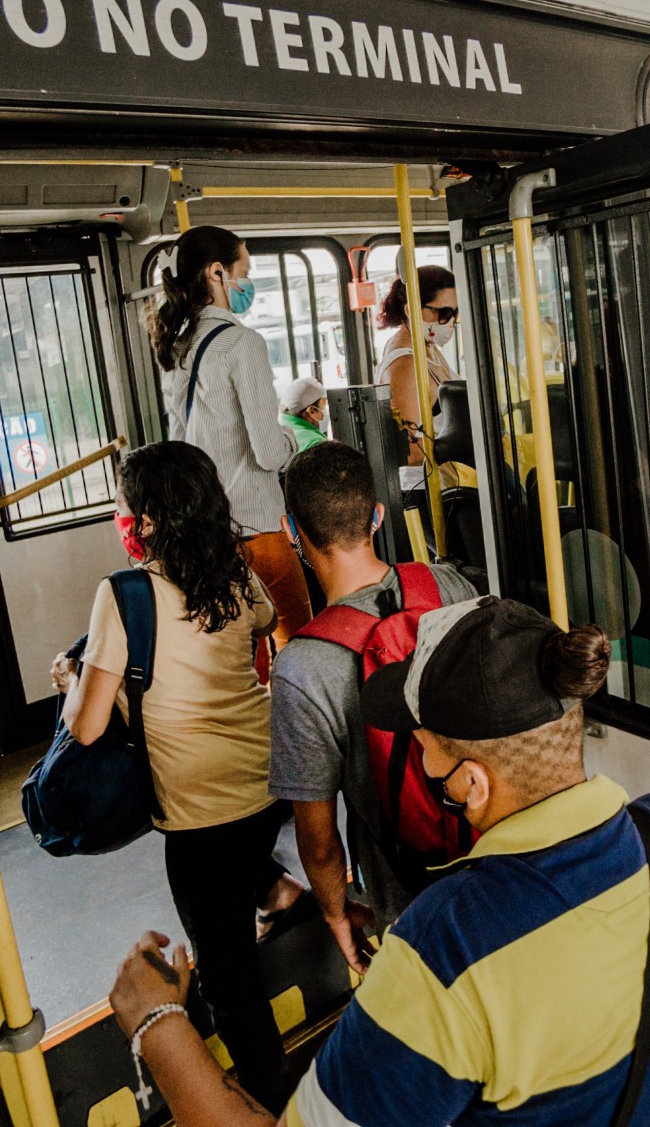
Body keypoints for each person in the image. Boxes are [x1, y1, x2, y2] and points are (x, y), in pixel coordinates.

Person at [108, 597, 650, 1127]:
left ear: (471, 784)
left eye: (424, 751)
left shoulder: (447, 948)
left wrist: (157, 1023)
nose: (422, 765)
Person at [57, 441, 303, 1110]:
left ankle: (273, 1104)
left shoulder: (124, 593)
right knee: (238, 872)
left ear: (148, 519)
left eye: (123, 506)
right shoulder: (235, 572)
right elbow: (264, 624)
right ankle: (277, 890)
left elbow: (86, 728)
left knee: (229, 981)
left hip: (201, 817)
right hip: (269, 784)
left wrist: (72, 683)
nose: (120, 517)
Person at [270, 441, 475, 970]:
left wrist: (336, 911)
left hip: (406, 893)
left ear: (291, 530)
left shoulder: (301, 666)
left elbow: (318, 840)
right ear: (377, 516)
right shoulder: (448, 585)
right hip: (496, 852)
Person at [150, 225, 309, 649]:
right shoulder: (242, 343)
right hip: (258, 530)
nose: (247, 284)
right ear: (217, 272)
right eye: (245, 272)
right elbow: (269, 453)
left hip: (209, 534)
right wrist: (294, 440)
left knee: (240, 652)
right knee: (297, 643)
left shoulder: (178, 348)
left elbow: (182, 446)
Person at [374, 265, 457, 494]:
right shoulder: (405, 364)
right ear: (411, 310)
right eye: (443, 313)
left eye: (455, 313)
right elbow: (408, 450)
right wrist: (463, 445)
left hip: (448, 482)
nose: (449, 322)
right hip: (426, 490)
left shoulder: (428, 348)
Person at [274, 376, 328, 452]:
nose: (326, 411)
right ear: (312, 411)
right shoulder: (315, 443)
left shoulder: (279, 432)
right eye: (324, 406)